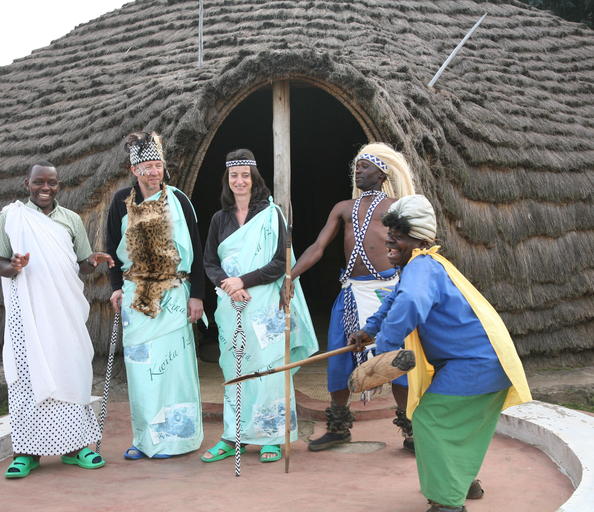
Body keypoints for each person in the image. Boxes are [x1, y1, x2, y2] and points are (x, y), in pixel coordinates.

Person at [349, 194, 532, 512]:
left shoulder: (421, 268)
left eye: (400, 235)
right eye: (390, 231)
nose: (391, 240)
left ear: (419, 239)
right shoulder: (421, 266)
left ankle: (448, 503)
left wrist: (383, 355)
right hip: (485, 364)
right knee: (462, 426)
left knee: (430, 421)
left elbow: (409, 304)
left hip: (474, 366)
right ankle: (463, 482)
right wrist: (369, 331)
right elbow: (396, 300)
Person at [281, 143, 416, 451]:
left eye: (365, 166)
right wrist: (291, 275)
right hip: (351, 294)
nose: (358, 171)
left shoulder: (397, 206)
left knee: (394, 360)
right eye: (356, 167)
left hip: (388, 293)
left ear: (381, 174)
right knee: (340, 360)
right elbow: (317, 247)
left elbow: (411, 248)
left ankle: (411, 431)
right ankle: (339, 426)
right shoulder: (343, 207)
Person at [0, 161, 113, 478]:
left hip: (64, 313)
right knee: (28, 379)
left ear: (60, 185)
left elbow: (81, 266)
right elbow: (1, 264)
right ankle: (26, 453)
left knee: (71, 372)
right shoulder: (12, 217)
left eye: (52, 183)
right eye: (38, 182)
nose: (45, 188)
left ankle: (76, 448)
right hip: (27, 315)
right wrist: (14, 265)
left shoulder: (71, 220)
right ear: (27, 183)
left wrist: (93, 261)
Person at [201, 150, 318, 463]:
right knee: (234, 370)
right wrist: (228, 284)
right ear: (228, 180)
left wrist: (243, 281)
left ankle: (272, 437)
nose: (240, 181)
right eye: (234, 176)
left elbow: (281, 262)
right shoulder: (219, 219)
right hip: (230, 304)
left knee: (268, 371)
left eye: (245, 175)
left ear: (254, 179)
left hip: (265, 306)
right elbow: (210, 262)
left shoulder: (271, 214)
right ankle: (231, 436)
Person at [106, 131, 205, 459]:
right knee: (142, 372)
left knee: (174, 370)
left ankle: (180, 438)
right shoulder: (121, 202)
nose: (153, 171)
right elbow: (110, 249)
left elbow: (198, 250)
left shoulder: (179, 200)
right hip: (138, 297)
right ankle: (144, 440)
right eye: (146, 166)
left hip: (176, 294)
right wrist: (116, 287)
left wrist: (198, 296)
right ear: (134, 169)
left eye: (157, 165)